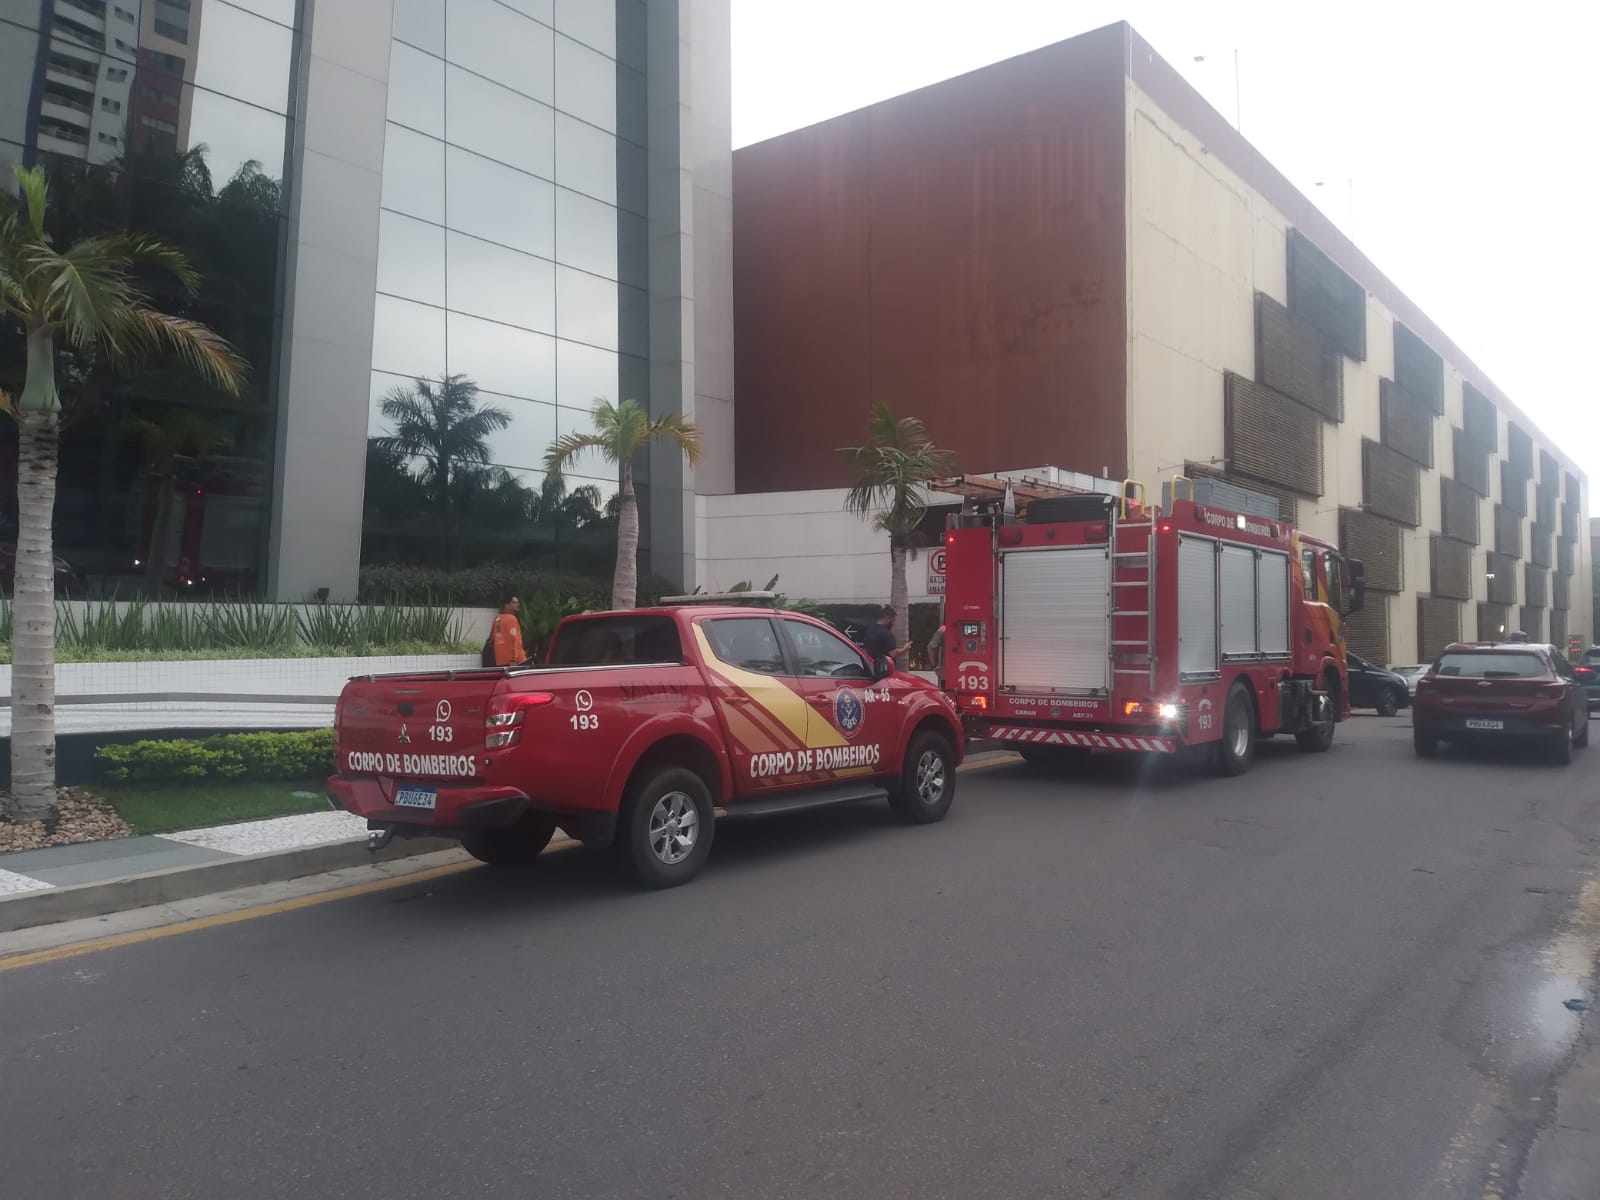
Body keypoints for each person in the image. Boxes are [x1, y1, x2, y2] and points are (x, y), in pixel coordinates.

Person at [487, 592, 526, 666]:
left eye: (517, 602)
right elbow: (513, 640)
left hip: (499, 661)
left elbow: (493, 638)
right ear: (506, 605)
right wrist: (513, 659)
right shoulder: (512, 619)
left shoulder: (497, 619)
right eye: (514, 603)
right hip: (515, 661)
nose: (517, 605)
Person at [860, 605, 899, 669]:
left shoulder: (869, 630)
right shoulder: (887, 634)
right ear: (887, 618)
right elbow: (893, 654)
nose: (893, 623)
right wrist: (905, 649)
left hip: (870, 667)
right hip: (884, 669)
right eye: (893, 620)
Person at [926, 622, 947, 689]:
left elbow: (931, 647)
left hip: (946, 674)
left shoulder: (943, 630)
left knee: (948, 697)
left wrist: (934, 666)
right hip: (973, 676)